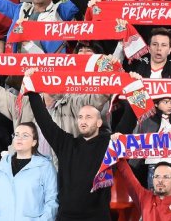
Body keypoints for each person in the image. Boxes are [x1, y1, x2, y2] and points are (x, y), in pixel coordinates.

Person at [28, 87, 111, 221]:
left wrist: (134, 88)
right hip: (66, 217)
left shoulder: (109, 144)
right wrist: (32, 91)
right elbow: (45, 122)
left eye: (88, 117)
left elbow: (128, 122)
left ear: (99, 122)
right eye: (80, 117)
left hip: (98, 217)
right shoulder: (66, 144)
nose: (83, 121)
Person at [0, 122, 59, 221]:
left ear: (34, 142)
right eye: (16, 135)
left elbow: (52, 201)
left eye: (25, 135)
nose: (19, 138)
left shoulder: (45, 167)